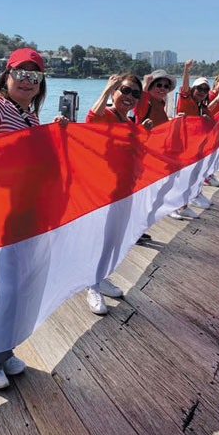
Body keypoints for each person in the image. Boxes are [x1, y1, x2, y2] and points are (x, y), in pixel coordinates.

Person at [0, 46, 69, 390]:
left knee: (19, 288)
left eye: (34, 76)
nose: (27, 81)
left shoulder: (30, 117)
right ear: (6, 78)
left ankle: (3, 351)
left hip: (24, 216)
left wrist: (55, 134)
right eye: (20, 73)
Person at [82, 73, 142, 314]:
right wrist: (106, 90)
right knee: (99, 239)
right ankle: (91, 286)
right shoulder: (105, 114)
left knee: (113, 239)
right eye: (125, 90)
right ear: (115, 91)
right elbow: (90, 121)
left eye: (135, 94)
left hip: (123, 190)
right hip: (101, 190)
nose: (129, 97)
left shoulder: (130, 124)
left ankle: (101, 277)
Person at [170, 59, 210, 219]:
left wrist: (206, 117)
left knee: (189, 176)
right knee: (178, 177)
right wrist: (186, 69)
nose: (202, 91)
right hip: (180, 144)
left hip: (193, 146)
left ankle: (184, 205)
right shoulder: (186, 99)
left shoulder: (202, 107)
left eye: (205, 90)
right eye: (199, 88)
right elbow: (184, 88)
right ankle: (172, 207)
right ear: (193, 89)